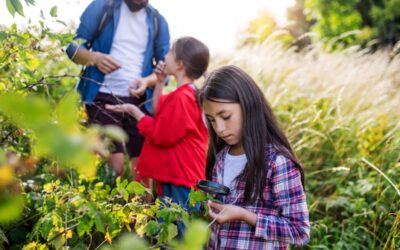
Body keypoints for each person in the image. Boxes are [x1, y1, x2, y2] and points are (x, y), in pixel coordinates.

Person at [199, 65, 310, 249]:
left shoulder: (277, 162)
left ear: (248, 106)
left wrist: (244, 215)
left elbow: (299, 231)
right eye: (211, 120)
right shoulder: (220, 159)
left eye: (225, 117)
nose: (219, 128)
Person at [65, 0, 170, 178]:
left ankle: (137, 207)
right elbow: (72, 48)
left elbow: (165, 70)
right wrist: (95, 58)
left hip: (140, 102)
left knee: (143, 174)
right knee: (115, 168)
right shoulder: (102, 7)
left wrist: (146, 81)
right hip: (102, 97)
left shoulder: (158, 21)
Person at [105, 36, 209, 209]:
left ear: (179, 64)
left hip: (182, 178)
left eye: (169, 52)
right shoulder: (183, 94)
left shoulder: (183, 98)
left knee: (178, 231)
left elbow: (161, 135)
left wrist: (135, 112)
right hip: (177, 176)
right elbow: (157, 111)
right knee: (171, 228)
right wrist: (159, 82)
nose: (164, 57)